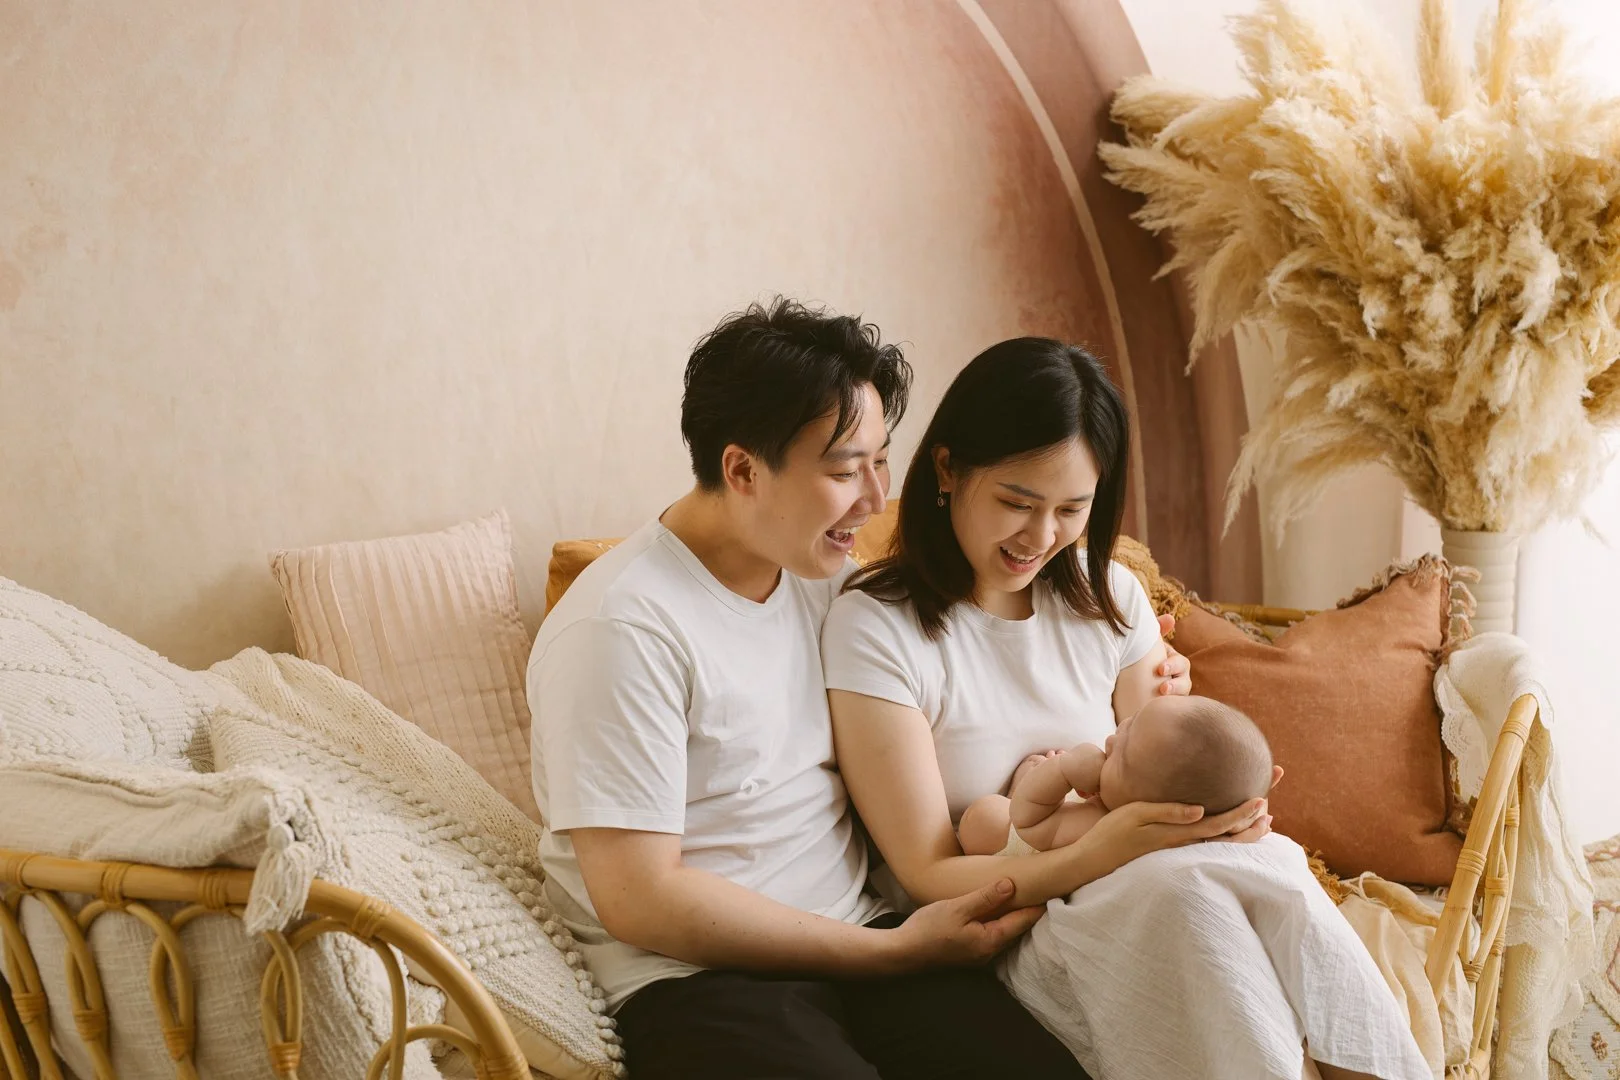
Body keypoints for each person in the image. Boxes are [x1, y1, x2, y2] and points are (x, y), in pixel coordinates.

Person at [529, 300, 1146, 1080]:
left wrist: (1147, 688)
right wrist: (887, 951)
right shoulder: (622, 626)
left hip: (867, 944)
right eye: (844, 469)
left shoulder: (823, 580)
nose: (876, 497)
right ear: (743, 469)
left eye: (881, 460)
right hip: (699, 981)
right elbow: (639, 898)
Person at [822, 337, 1426, 1080]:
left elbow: (1169, 769)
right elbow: (924, 874)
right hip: (1009, 925)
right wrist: (1100, 853)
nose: (1041, 537)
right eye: (1017, 502)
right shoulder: (876, 625)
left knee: (1273, 860)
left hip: (1143, 885)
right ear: (947, 469)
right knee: (1182, 896)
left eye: (1072, 509)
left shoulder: (1110, 597)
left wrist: (1225, 820)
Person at [957, 695, 1273, 857]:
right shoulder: (1173, 831)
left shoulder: (1100, 827)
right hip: (1047, 825)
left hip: (1012, 842)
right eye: (1129, 723)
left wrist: (1062, 770)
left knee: (982, 817)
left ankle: (1018, 787)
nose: (1111, 738)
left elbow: (1026, 821)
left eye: (1120, 758)